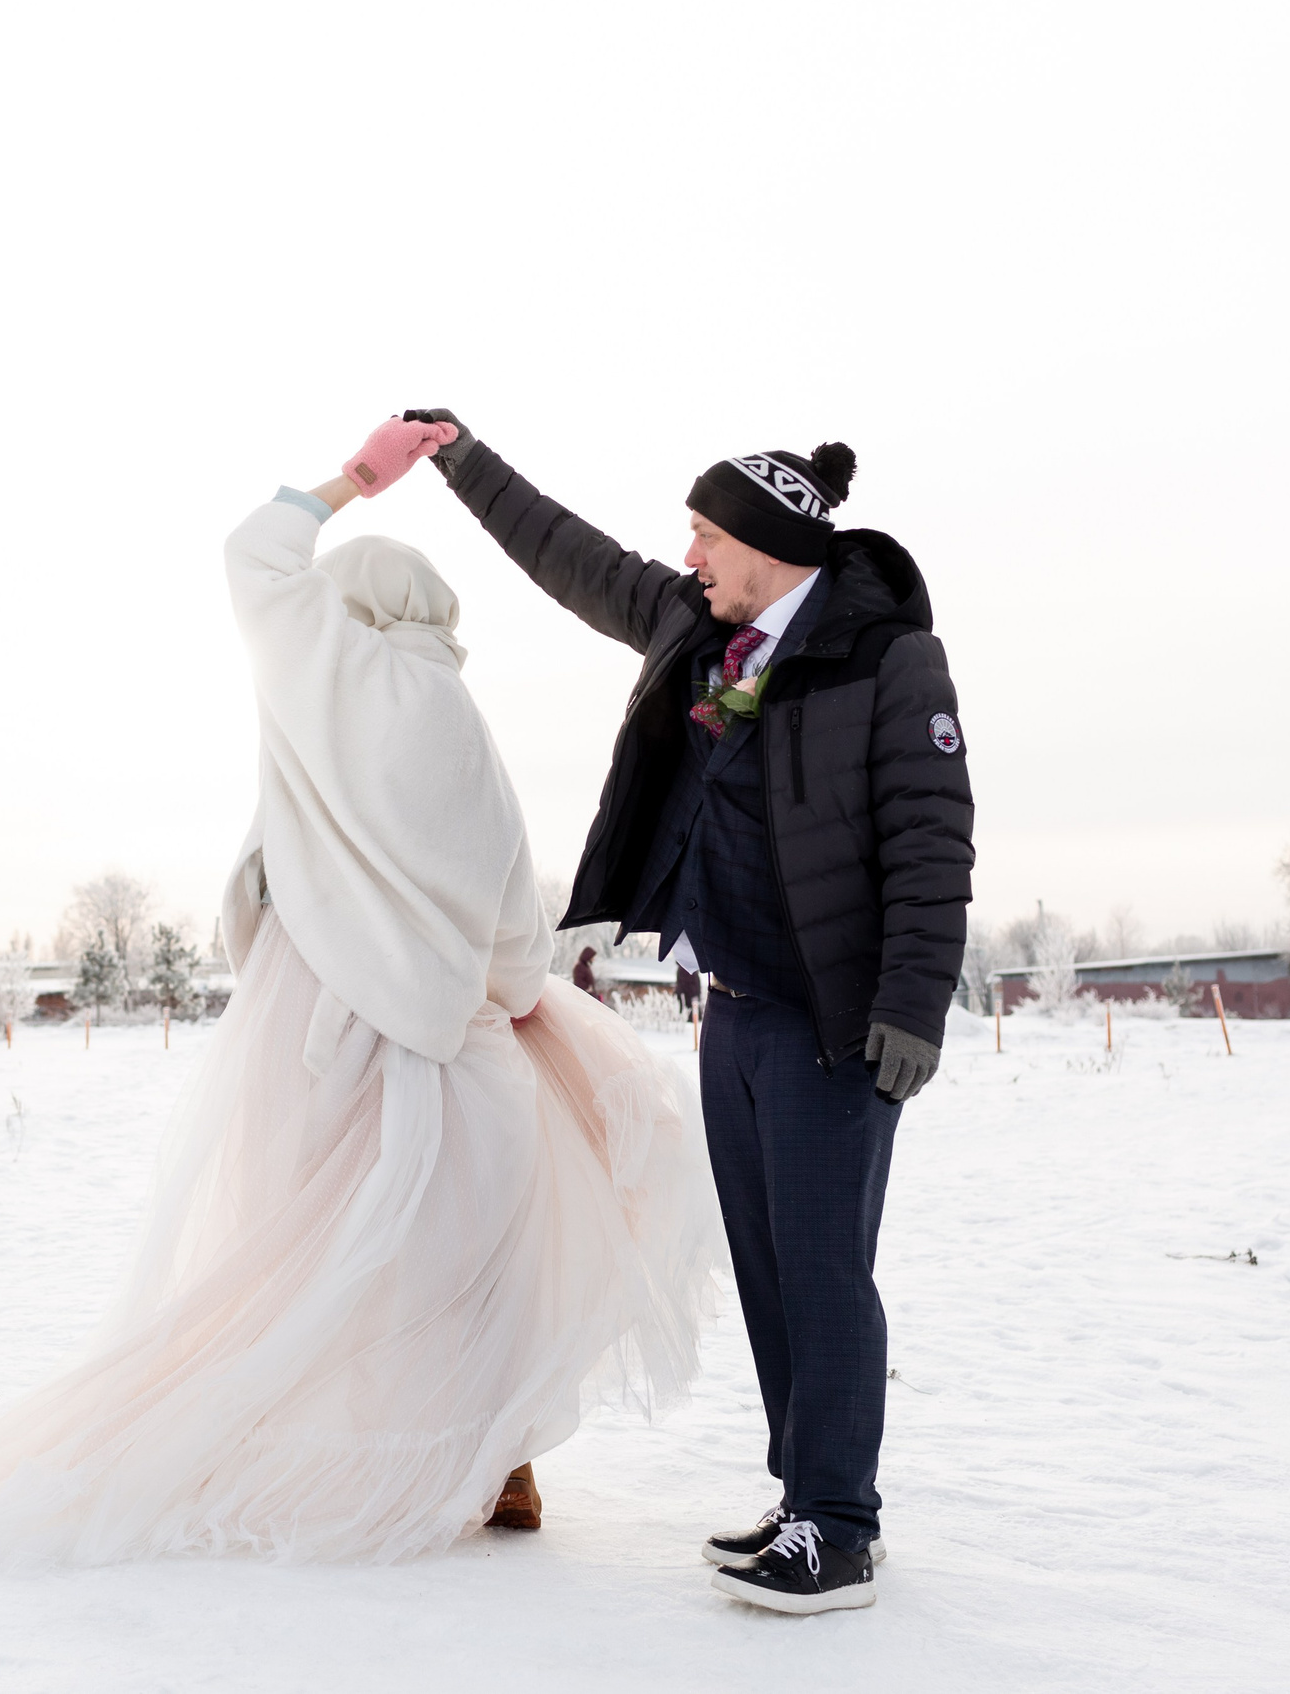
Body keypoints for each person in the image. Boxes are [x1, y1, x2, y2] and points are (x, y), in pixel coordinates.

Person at [0, 419, 719, 1569]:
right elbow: (513, 924)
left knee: (307, 1261)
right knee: (473, 1259)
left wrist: (359, 477)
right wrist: (514, 992)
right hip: (450, 1042)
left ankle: (338, 1448)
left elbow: (255, 554)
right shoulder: (459, 724)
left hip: (313, 1032)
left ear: (349, 602)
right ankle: (489, 1460)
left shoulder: (319, 672)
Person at [408, 410, 974, 1615]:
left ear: (770, 544)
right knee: (770, 1270)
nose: (692, 556)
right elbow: (576, 560)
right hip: (735, 1010)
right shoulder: (692, 632)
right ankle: (803, 1496)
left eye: (707, 535)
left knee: (825, 1272)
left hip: (837, 1017)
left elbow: (932, 845)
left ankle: (840, 1526)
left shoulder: (885, 657)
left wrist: (913, 1006)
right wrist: (460, 458)